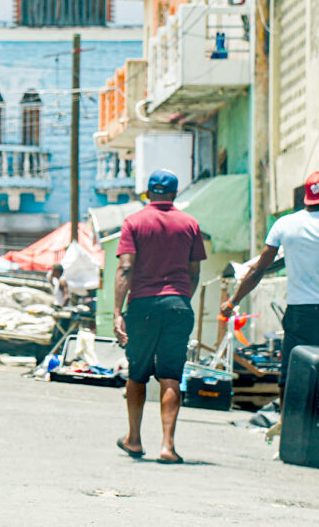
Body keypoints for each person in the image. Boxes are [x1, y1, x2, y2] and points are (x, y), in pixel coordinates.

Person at [221, 170, 319, 403]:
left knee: (289, 373)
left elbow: (257, 270)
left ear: (307, 198)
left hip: (299, 313)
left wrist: (232, 302)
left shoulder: (284, 225)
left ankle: (287, 423)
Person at [114, 169, 206, 464]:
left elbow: (125, 268)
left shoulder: (134, 222)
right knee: (170, 376)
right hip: (178, 303)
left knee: (137, 373)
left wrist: (117, 312)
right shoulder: (190, 224)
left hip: (142, 305)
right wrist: (179, 301)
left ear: (147, 192)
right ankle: (167, 446)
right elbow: (194, 273)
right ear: (175, 193)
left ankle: (134, 439)